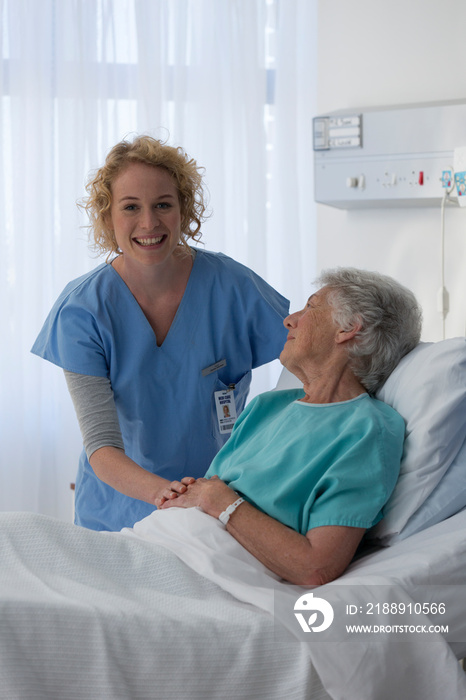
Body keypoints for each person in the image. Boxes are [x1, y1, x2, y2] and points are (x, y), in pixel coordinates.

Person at [31, 135, 289, 532]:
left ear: (184, 211)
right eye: (131, 207)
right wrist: (169, 495)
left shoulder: (234, 288)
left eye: (163, 205)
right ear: (107, 217)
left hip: (219, 504)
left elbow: (310, 365)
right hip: (119, 514)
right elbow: (101, 446)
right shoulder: (83, 311)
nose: (149, 223)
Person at [154, 267, 423, 585]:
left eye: (311, 306)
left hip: (204, 573)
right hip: (162, 544)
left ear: (349, 328)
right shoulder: (267, 407)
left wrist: (219, 500)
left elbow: (316, 566)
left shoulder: (368, 430)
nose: (289, 320)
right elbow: (213, 490)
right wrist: (188, 495)